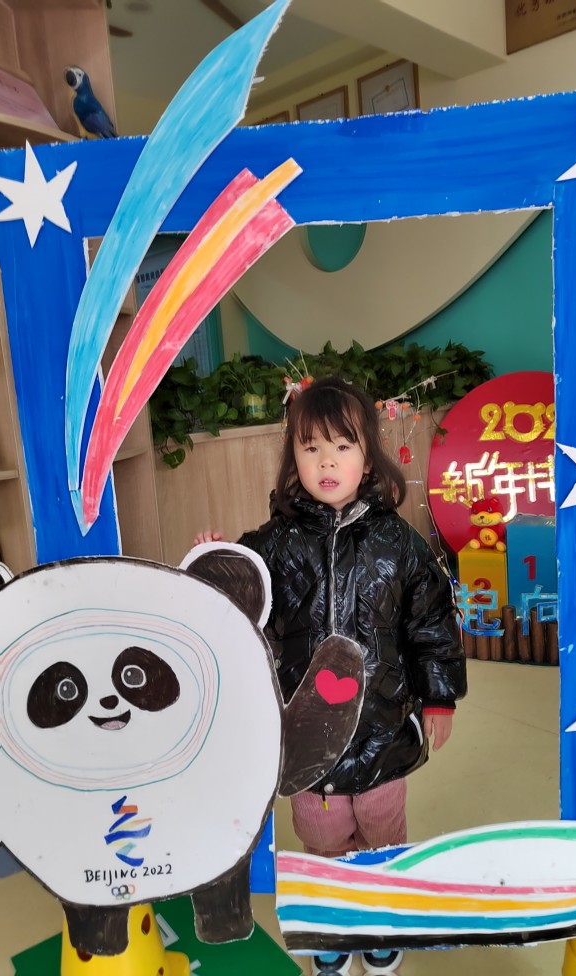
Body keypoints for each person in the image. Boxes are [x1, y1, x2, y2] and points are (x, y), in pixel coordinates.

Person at [195, 376, 466, 975]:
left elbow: (431, 623)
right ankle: (336, 924)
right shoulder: (276, 543)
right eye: (311, 446)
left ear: (368, 456)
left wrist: (439, 697)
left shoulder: (400, 543)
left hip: (381, 726)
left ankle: (381, 922)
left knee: (381, 829)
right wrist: (218, 561)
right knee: (321, 832)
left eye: (342, 446)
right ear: (292, 456)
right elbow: (243, 597)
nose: (326, 461)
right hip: (306, 732)